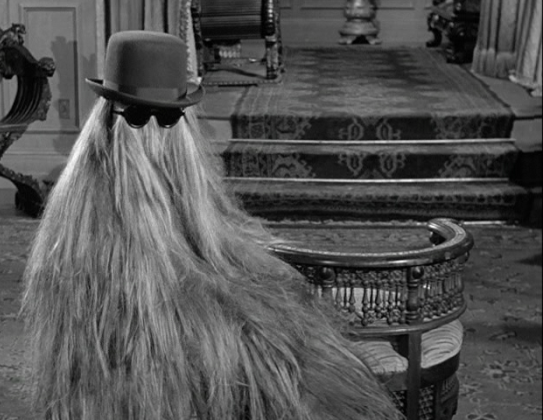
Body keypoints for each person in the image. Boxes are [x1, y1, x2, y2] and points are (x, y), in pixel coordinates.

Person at [21, 30, 401, 420]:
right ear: (107, 119)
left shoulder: (190, 180)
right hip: (137, 351)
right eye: (136, 116)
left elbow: (216, 246)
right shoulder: (84, 211)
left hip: (188, 320)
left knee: (294, 348)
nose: (153, 132)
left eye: (168, 117)